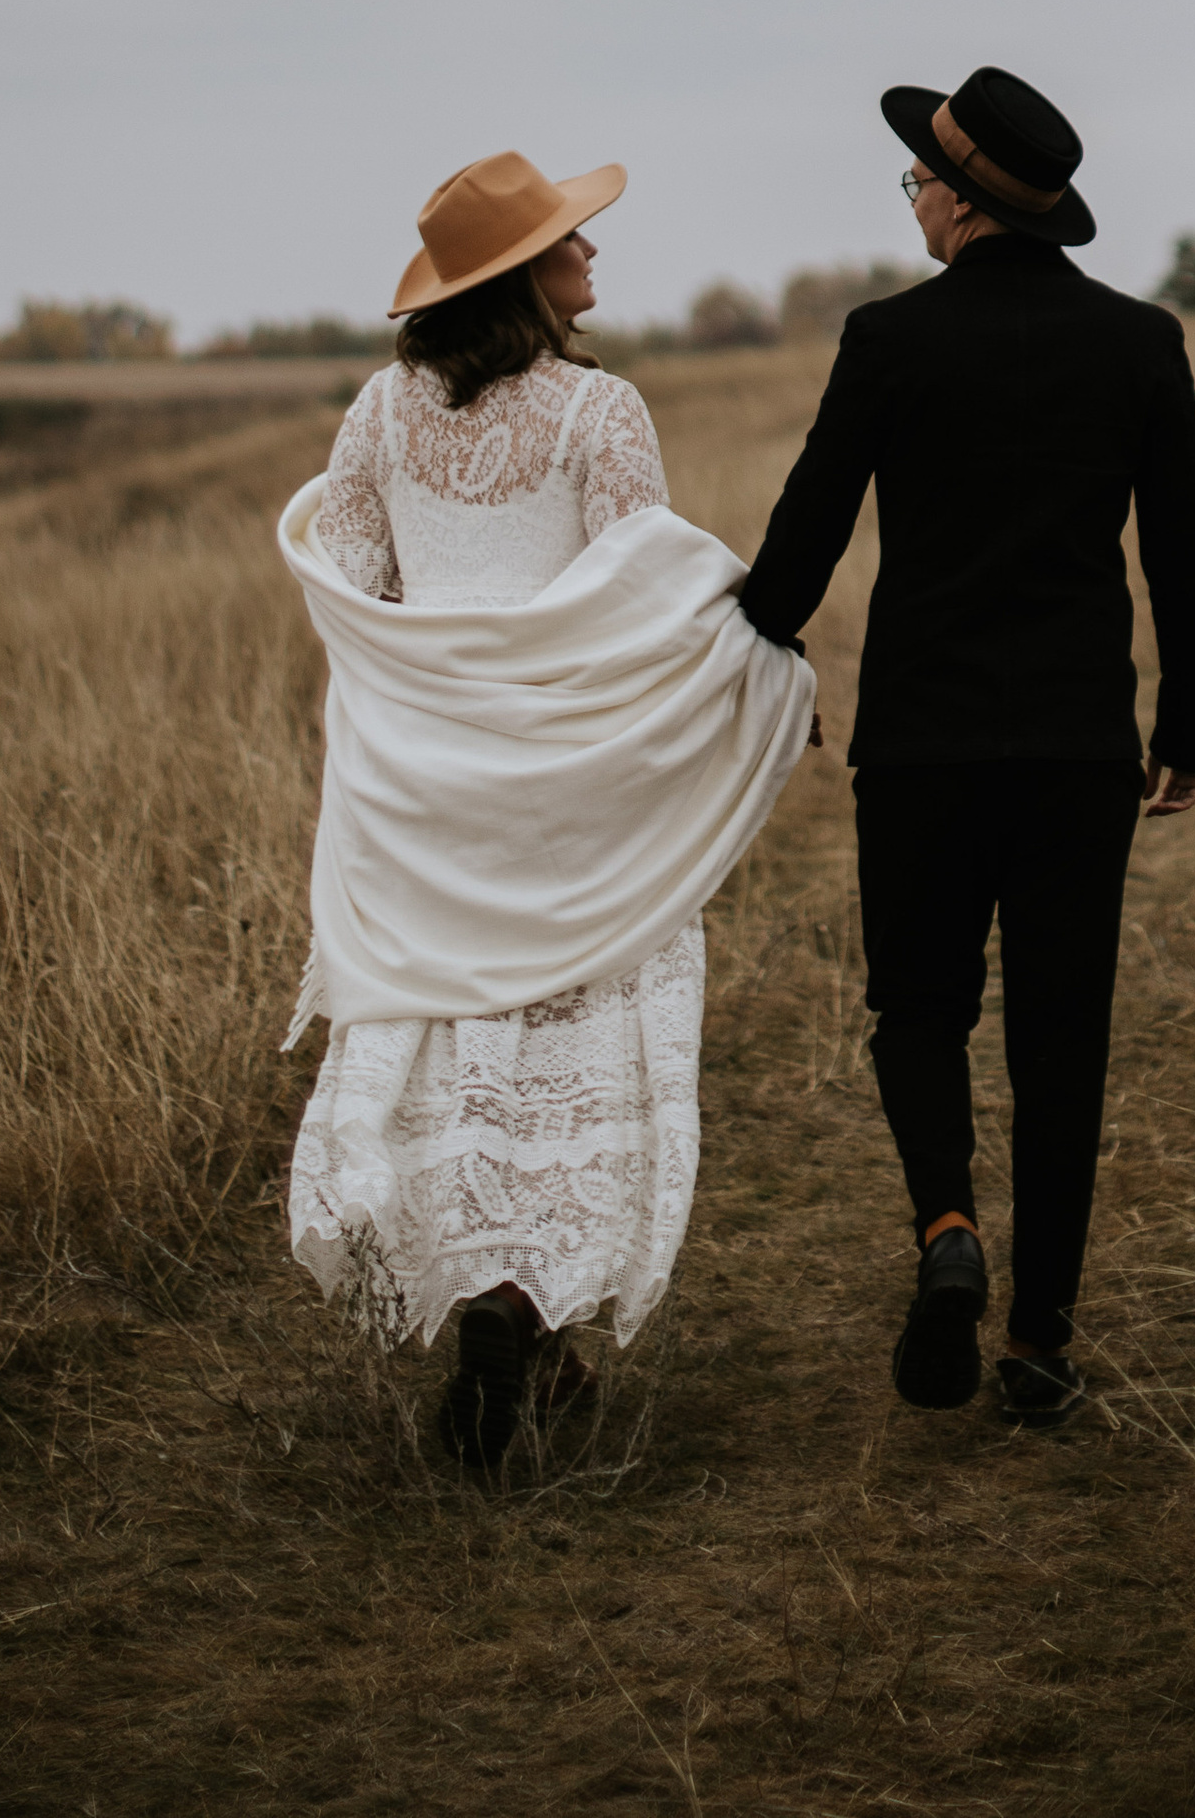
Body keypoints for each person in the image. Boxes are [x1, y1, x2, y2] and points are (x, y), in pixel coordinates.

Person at [280, 147, 813, 1468]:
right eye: (574, 242)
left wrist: (433, 692)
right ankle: (529, 1309)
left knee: (458, 1034)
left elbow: (354, 593)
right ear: (525, 278)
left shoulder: (377, 415)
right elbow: (641, 606)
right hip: (563, 783)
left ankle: (497, 1310)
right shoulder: (601, 413)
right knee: (565, 1034)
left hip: (425, 785)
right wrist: (764, 683)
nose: (594, 256)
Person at [736, 66, 1195, 1427]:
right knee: (1061, 1038)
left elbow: (797, 560)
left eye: (917, 183)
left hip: (922, 746)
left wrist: (747, 654)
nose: (913, 202)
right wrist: (1184, 730)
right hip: (1077, 748)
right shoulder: (1140, 342)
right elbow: (1186, 554)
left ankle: (948, 1227)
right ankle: (1043, 1346)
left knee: (920, 1009)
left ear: (956, 202)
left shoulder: (888, 341)